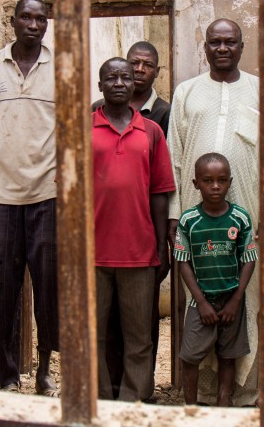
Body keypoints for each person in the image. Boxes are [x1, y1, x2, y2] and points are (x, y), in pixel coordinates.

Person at [167, 18, 260, 406]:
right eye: (215, 42)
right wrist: (175, 213)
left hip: (247, 212)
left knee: (244, 296)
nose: (222, 48)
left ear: (242, 45)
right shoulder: (187, 91)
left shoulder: (260, 89)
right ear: (204, 47)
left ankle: (241, 392)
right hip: (195, 215)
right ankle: (198, 395)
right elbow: (174, 154)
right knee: (197, 299)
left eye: (230, 42)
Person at [0, 0, 59, 396]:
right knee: (1, 289)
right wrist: (4, 166)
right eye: (26, 16)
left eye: (40, 18)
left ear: (47, 24)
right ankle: (3, 377)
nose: (33, 24)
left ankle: (45, 370)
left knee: (47, 289)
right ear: (13, 21)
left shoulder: (61, 67)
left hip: (48, 193)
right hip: (2, 196)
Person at [92, 57, 175, 402]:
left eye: (125, 77)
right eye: (111, 78)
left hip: (139, 254)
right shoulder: (84, 129)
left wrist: (161, 247)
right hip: (92, 254)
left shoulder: (151, 132)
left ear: (134, 84)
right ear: (100, 86)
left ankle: (134, 403)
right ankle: (97, 401)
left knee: (139, 338)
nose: (119, 83)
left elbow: (160, 194)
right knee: (93, 334)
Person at [174, 153, 257, 407]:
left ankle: (223, 406)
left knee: (228, 355)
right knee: (189, 357)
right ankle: (190, 407)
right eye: (208, 180)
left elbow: (249, 258)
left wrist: (236, 300)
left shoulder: (240, 218)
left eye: (222, 180)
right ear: (195, 183)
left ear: (230, 182)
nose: (215, 186)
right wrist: (201, 302)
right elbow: (183, 261)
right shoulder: (189, 221)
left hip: (232, 298)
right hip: (202, 300)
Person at [92, 41, 171, 136]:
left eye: (148, 65)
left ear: (157, 72)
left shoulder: (166, 112)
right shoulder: (99, 108)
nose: (140, 69)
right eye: (134, 63)